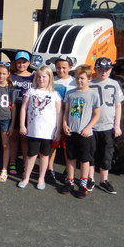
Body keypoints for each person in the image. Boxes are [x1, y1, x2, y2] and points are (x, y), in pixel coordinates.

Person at [18, 65, 62, 190]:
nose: (41, 79)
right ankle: (26, 176)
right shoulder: (31, 91)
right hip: (33, 130)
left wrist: (58, 130)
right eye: (39, 76)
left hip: (48, 132)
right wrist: (22, 124)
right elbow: (23, 109)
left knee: (44, 155)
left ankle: (41, 178)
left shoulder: (54, 94)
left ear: (49, 78)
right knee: (31, 155)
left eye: (44, 77)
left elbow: (59, 113)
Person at [61, 65, 101, 199]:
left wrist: (88, 128)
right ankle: (70, 181)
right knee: (71, 157)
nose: (79, 81)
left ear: (89, 79)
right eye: (77, 78)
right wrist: (65, 124)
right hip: (71, 132)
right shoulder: (70, 93)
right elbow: (66, 112)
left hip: (85, 133)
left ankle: (83, 184)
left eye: (82, 78)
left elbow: (96, 115)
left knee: (84, 159)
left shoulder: (93, 94)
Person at [89, 57, 124, 194]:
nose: (103, 72)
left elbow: (118, 106)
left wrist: (117, 125)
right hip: (91, 126)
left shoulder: (114, 84)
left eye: (106, 69)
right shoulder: (90, 84)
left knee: (106, 154)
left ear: (110, 70)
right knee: (91, 153)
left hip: (108, 126)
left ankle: (104, 180)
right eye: (100, 69)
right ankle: (90, 178)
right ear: (95, 69)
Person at [47, 55, 76, 183]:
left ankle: (68, 171)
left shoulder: (75, 82)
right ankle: (49, 169)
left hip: (69, 119)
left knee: (67, 146)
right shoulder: (51, 80)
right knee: (52, 145)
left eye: (64, 67)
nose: (61, 70)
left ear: (70, 67)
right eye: (58, 67)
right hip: (53, 118)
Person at [9, 50, 34, 175]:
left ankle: (26, 164)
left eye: (24, 62)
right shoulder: (11, 76)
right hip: (13, 109)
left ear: (28, 63)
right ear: (15, 62)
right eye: (19, 62)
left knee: (25, 138)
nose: (21, 65)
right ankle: (12, 162)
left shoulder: (33, 77)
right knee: (13, 137)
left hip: (28, 111)